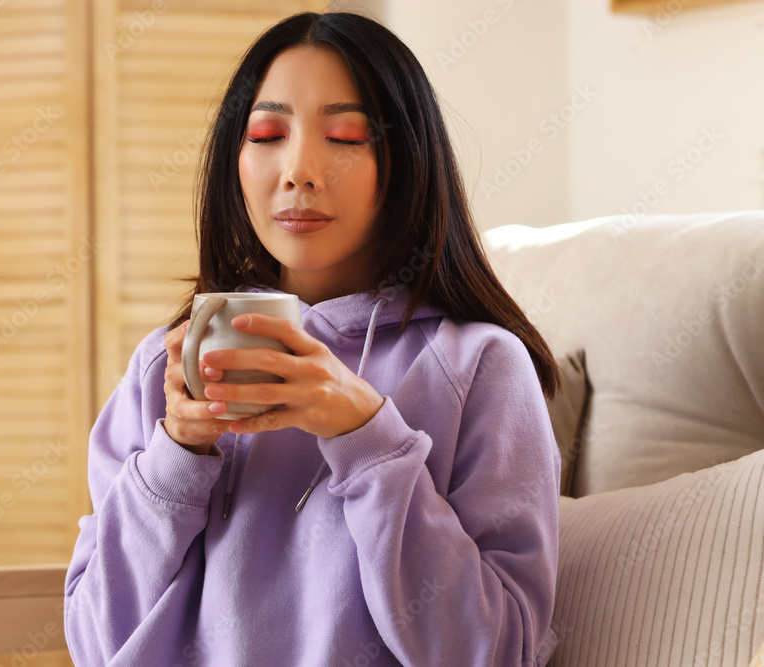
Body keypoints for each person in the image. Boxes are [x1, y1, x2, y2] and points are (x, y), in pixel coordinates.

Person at [64, 10, 562, 667]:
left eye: (347, 135)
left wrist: (367, 437)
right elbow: (96, 645)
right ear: (233, 163)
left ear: (407, 161)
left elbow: (492, 651)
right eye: (268, 133)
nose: (298, 169)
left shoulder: (480, 367)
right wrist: (176, 457)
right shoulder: (165, 364)